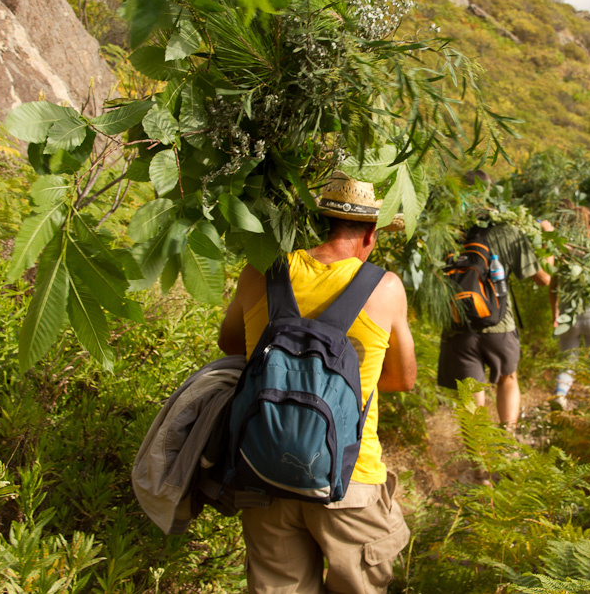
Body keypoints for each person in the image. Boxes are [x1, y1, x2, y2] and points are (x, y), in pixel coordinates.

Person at [218, 170, 417, 594]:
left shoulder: (261, 272)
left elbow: (232, 345)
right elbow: (403, 379)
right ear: (370, 235)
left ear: (316, 222)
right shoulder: (384, 288)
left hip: (263, 469)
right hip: (348, 478)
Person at [437, 170, 552, 434]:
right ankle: (507, 444)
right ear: (490, 192)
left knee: (470, 391)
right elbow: (544, 278)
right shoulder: (508, 230)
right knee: (508, 378)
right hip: (500, 323)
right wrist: (546, 237)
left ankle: (479, 458)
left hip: (459, 324)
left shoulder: (445, 229)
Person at [549, 201, 590, 410]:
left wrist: (555, 313)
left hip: (568, 316)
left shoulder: (561, 252)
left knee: (568, 361)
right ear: (589, 226)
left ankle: (560, 395)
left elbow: (553, 287)